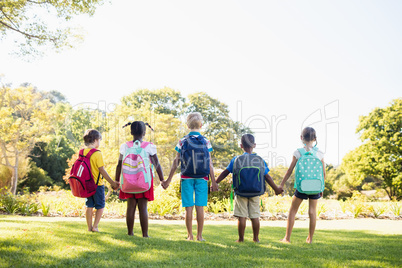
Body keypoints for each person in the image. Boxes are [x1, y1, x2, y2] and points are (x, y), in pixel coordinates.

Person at [215, 134, 283, 242]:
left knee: (242, 216)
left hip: (240, 192)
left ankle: (241, 239)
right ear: (254, 145)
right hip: (255, 192)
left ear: (241, 145)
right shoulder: (259, 160)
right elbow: (267, 177)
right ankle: (256, 239)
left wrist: (215, 182)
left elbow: (225, 172)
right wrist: (276, 189)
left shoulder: (236, 159)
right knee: (254, 216)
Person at [162, 112, 218, 241]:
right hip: (202, 178)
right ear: (201, 125)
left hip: (186, 176)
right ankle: (200, 236)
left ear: (187, 126)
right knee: (200, 207)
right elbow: (210, 163)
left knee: (188, 208)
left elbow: (176, 161)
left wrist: (168, 180)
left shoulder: (182, 141)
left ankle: (190, 236)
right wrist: (214, 182)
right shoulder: (206, 141)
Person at [115, 121, 165, 237]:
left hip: (128, 181)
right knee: (143, 207)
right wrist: (162, 180)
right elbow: (157, 164)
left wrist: (117, 181)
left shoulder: (125, 146)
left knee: (130, 207)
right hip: (144, 181)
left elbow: (119, 165)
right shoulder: (149, 146)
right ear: (144, 132)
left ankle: (130, 233)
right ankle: (145, 234)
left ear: (131, 132)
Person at [279, 127, 326, 244]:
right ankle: (310, 239)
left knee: (292, 211)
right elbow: (323, 172)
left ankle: (287, 238)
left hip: (301, 186)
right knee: (312, 212)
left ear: (301, 138)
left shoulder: (298, 152)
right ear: (315, 139)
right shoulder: (320, 153)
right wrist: (322, 187)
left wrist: (282, 184)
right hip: (315, 186)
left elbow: (289, 170)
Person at [83, 129, 120, 232]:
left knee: (89, 205)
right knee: (100, 206)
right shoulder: (97, 153)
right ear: (95, 140)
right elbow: (102, 170)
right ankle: (95, 226)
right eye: (100, 140)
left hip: (86, 184)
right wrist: (112, 182)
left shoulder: (82, 152)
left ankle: (89, 227)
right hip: (97, 185)